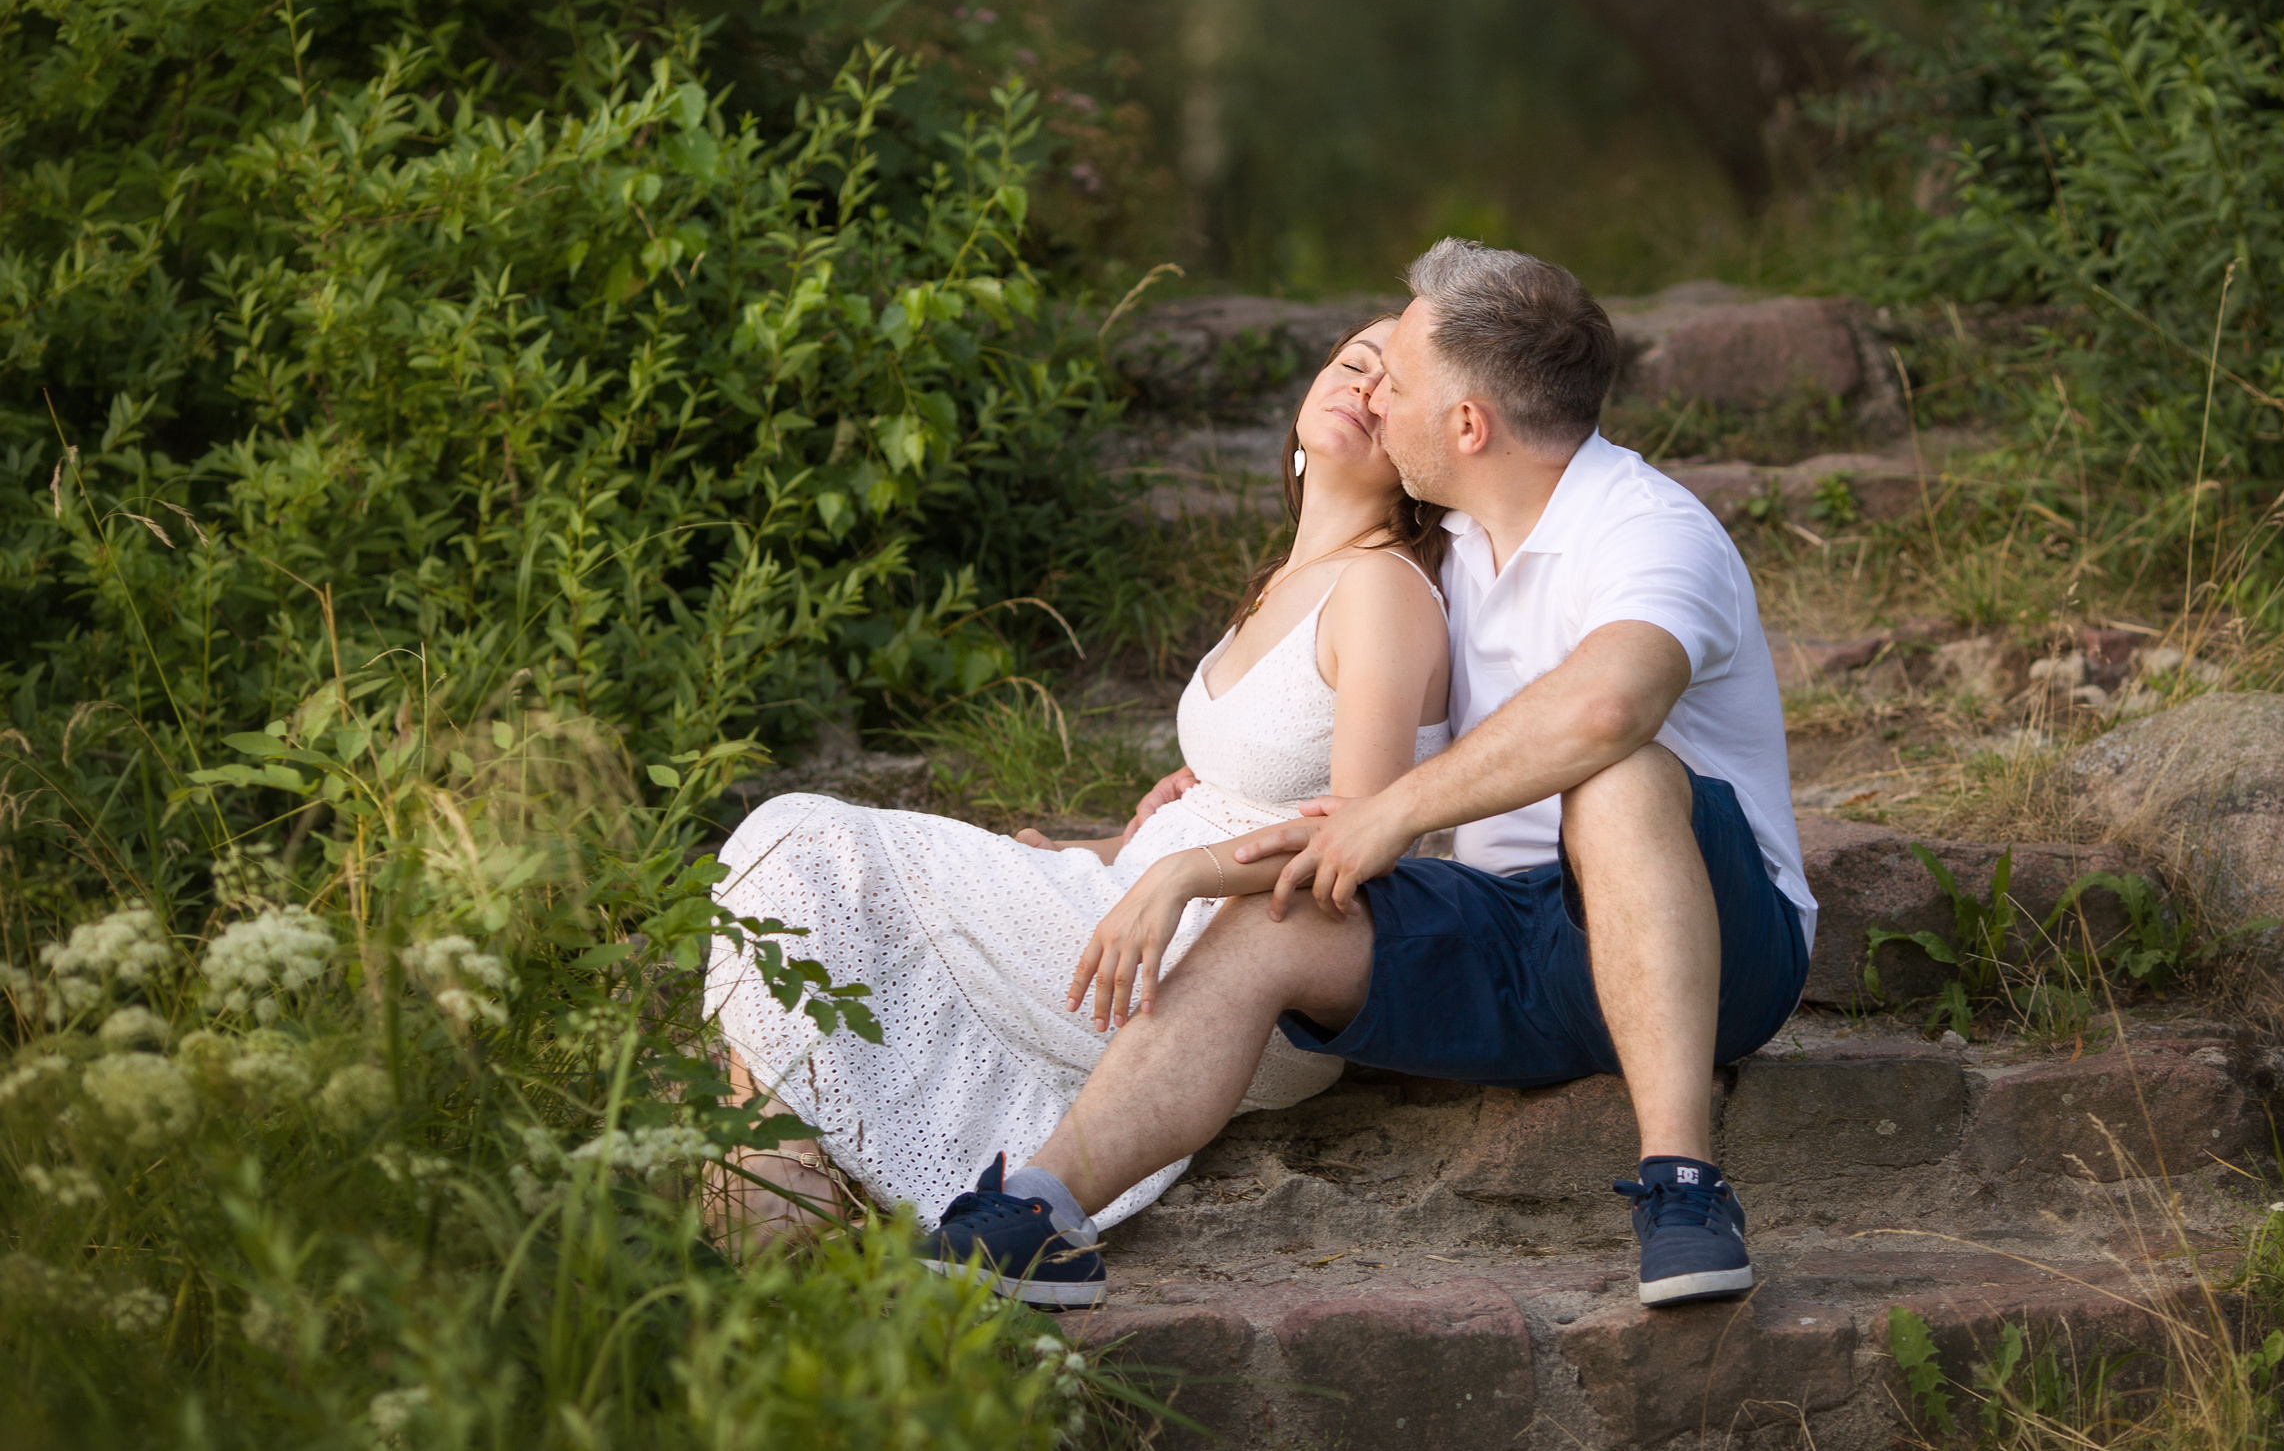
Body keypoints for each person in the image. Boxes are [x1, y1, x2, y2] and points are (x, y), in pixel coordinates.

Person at [924, 238, 1815, 1310]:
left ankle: (1683, 1185)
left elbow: (1605, 706)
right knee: (1277, 920)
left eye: (1392, 381)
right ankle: (1041, 1209)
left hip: (1717, 945)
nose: (1371, 399)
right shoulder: (1453, 547)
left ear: (1468, 426)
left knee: (1614, 775)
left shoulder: (1646, 530)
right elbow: (1327, 756)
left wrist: (1389, 815)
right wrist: (1180, 849)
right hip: (1519, 940)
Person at [700, 316, 1453, 1286]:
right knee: (799, 862)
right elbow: (1226, 792)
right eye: (1351, 360)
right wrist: (1087, 846)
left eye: (1389, 383)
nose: (1360, 383)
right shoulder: (1285, 582)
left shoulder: (1382, 591)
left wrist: (1184, 867)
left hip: (1228, 955)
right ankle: (783, 1178)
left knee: (790, 839)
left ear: (1423, 449)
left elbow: (1360, 834)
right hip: (1138, 891)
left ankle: (767, 1190)